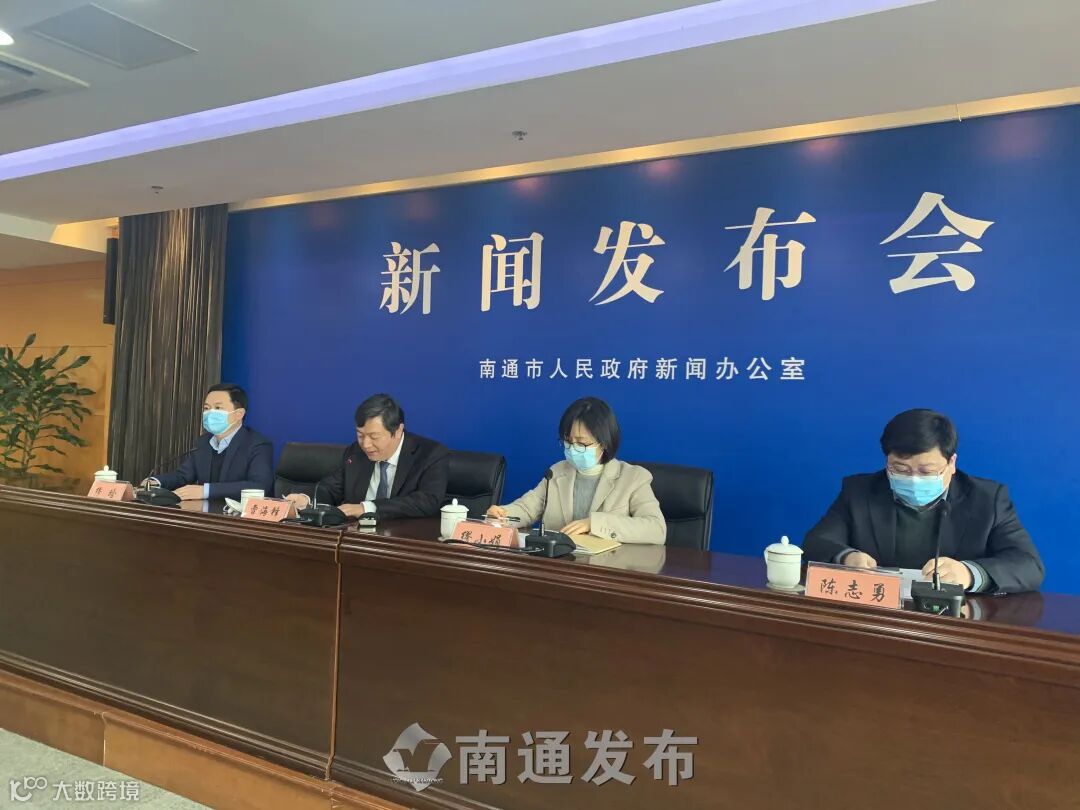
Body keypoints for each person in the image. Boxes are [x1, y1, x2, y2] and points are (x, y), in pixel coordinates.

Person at [803, 408, 1044, 594]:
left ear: (951, 463)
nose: (914, 479)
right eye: (900, 469)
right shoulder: (860, 491)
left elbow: (1028, 564)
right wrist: (846, 557)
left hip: (954, 620)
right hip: (880, 613)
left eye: (926, 471)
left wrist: (970, 573)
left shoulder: (987, 499)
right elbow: (817, 541)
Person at [487, 397, 666, 545]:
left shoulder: (633, 478)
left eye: (581, 443)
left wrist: (594, 523)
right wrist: (504, 514)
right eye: (568, 441)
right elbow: (528, 508)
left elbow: (656, 529)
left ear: (604, 443)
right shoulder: (557, 472)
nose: (573, 449)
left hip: (608, 567)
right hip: (560, 565)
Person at [285, 394, 448, 519]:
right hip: (355, 537)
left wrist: (366, 508)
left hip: (403, 541)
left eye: (374, 437)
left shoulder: (430, 454)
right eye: (360, 435)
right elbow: (331, 487)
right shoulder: (356, 452)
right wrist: (306, 499)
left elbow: (427, 501)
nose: (366, 444)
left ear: (398, 431)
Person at [149, 384, 274, 501]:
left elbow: (259, 486)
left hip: (239, 515)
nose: (210, 413)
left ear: (239, 414)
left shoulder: (258, 444)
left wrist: (206, 491)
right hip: (205, 512)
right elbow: (183, 476)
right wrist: (155, 482)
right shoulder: (204, 442)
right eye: (206, 408)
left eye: (218, 408)